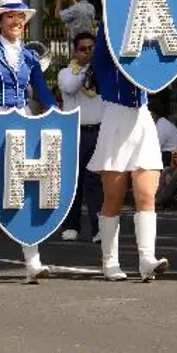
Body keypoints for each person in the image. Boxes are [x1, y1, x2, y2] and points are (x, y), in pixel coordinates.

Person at [0, 0, 56, 282]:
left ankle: (33, 262)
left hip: (23, 121)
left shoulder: (30, 57)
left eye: (20, 17)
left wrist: (58, 113)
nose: (16, 21)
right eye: (10, 17)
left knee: (28, 193)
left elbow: (42, 91)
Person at [88, 17, 171, 282]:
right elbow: (107, 30)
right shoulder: (105, 52)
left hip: (142, 119)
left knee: (146, 194)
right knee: (113, 197)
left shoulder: (143, 51)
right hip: (115, 118)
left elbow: (166, 63)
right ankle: (110, 261)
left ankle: (147, 259)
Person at [57, 32, 103, 242]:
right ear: (75, 52)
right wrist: (86, 68)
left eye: (92, 48)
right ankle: (71, 225)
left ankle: (98, 227)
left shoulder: (101, 72)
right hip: (74, 132)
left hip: (97, 132)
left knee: (95, 182)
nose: (88, 52)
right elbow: (70, 88)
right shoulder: (66, 73)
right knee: (73, 181)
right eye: (83, 49)